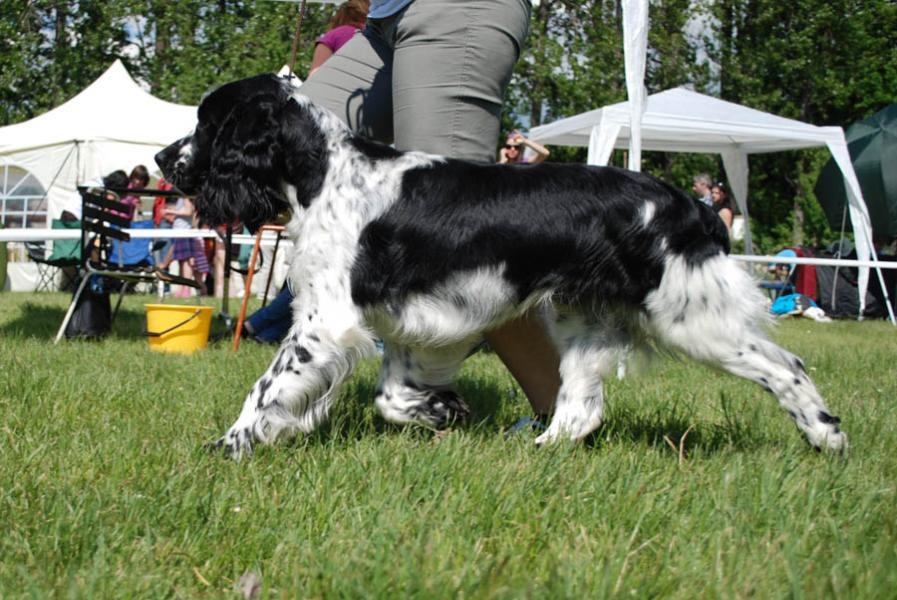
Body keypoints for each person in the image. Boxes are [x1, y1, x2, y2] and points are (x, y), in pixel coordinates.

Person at [299, 0, 559, 421]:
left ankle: (563, 412)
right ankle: (327, 360)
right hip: (384, 22)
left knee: (459, 240)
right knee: (282, 151)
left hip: (455, 11)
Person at [308, 0, 369, 76]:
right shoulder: (375, 38)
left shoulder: (333, 36)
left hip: (335, 84)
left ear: (339, 16)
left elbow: (315, 73)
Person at [163, 196, 209, 297]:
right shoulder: (184, 197)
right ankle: (184, 289)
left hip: (184, 232)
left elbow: (188, 211)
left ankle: (186, 289)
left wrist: (170, 211)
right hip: (184, 232)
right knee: (184, 262)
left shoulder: (185, 195)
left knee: (187, 262)